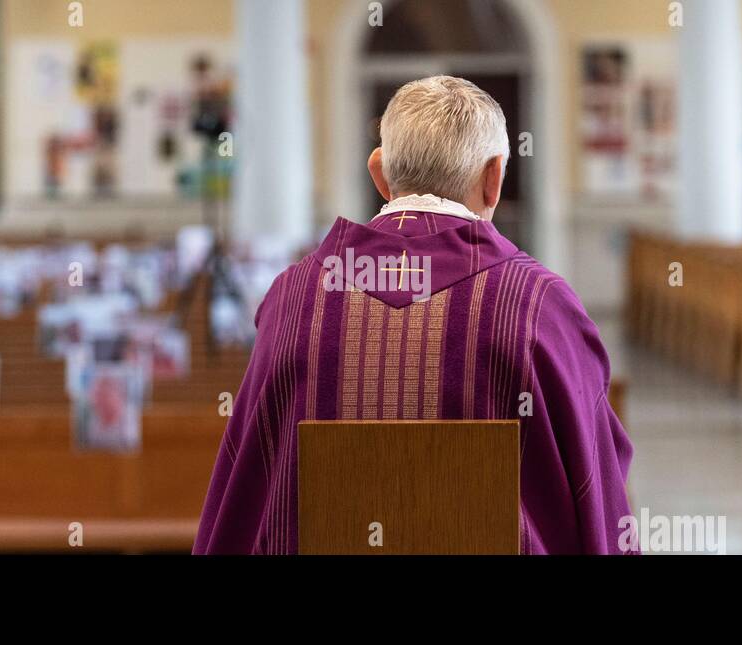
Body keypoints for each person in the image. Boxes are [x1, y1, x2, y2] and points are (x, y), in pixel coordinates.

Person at [194, 76, 634, 554]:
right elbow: (596, 482)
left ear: (379, 174)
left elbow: (242, 493)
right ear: (494, 178)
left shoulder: (293, 300)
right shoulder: (539, 305)